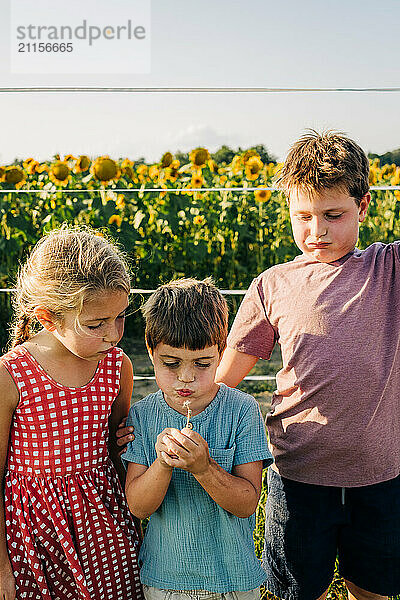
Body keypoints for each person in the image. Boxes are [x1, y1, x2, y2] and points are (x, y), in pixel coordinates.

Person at [214, 131, 400, 600]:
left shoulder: (389, 269)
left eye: (333, 215)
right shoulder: (271, 285)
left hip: (380, 475)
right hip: (297, 477)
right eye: (303, 217)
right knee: (299, 592)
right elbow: (225, 378)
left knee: (373, 590)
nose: (316, 231)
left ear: (364, 205)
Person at [0, 227, 143, 600]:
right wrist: (1, 567)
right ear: (48, 319)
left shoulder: (117, 367)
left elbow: (117, 455)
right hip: (33, 539)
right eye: (95, 324)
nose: (113, 335)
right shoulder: (10, 375)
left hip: (104, 532)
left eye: (120, 317)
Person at [122, 278, 272, 600]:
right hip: (166, 580)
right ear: (151, 352)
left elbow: (247, 503)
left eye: (202, 364)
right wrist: (162, 463)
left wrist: (204, 469)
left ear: (221, 352)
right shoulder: (143, 416)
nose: (186, 377)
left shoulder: (241, 410)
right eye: (171, 364)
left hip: (234, 579)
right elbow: (138, 506)